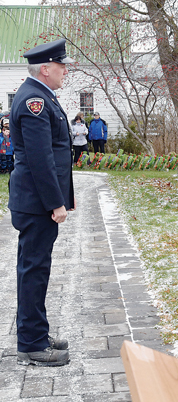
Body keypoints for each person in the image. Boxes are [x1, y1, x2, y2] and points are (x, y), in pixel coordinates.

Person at [9, 38, 74, 366]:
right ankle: (32, 344)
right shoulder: (35, 99)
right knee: (34, 270)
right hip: (37, 203)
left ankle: (34, 331)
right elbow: (40, 158)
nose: (65, 70)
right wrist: (56, 203)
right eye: (61, 66)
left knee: (34, 269)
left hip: (34, 202)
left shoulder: (40, 95)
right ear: (45, 69)